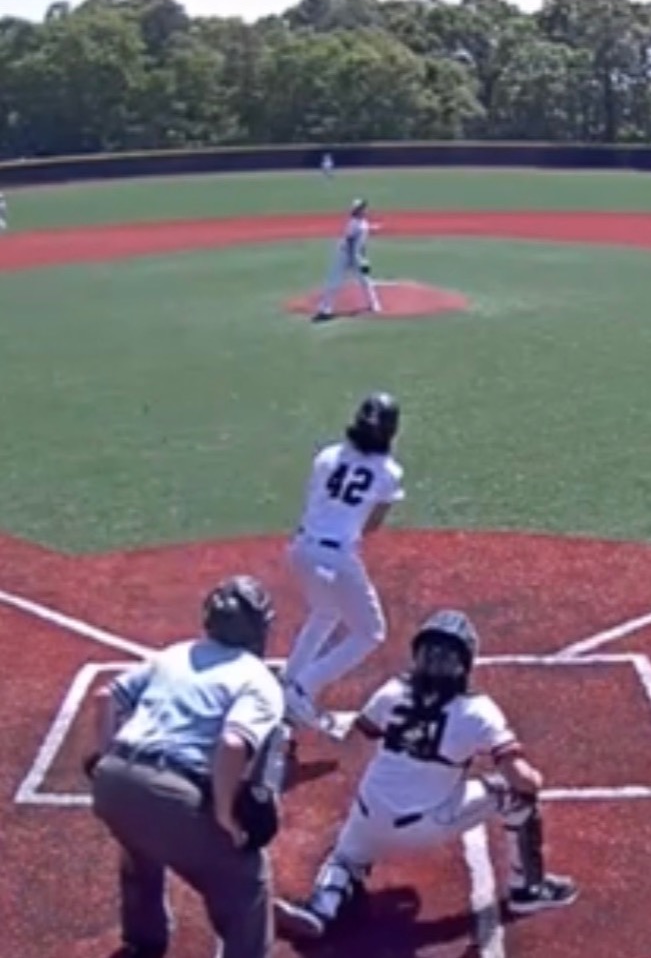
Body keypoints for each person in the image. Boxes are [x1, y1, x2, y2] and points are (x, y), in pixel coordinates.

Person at [275, 609, 578, 941]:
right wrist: (534, 779)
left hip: (368, 812)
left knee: (345, 858)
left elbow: (351, 747)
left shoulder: (392, 691)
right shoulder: (478, 711)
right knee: (515, 795)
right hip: (426, 823)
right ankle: (528, 890)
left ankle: (323, 905)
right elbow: (521, 778)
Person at [86, 575, 287, 958]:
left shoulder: (174, 654)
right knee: (248, 881)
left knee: (140, 843)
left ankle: (142, 942)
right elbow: (233, 744)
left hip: (112, 784)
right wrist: (225, 815)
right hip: (171, 793)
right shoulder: (258, 678)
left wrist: (107, 756)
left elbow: (105, 697)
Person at [281, 392, 404, 738]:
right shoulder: (389, 472)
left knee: (325, 612)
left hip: (301, 548)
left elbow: (317, 499)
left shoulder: (327, 456)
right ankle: (302, 688)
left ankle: (289, 680)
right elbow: (372, 525)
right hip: (336, 556)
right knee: (370, 632)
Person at [312, 198, 380, 321]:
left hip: (355, 255)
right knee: (335, 280)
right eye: (361, 208)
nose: (365, 210)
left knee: (365, 279)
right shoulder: (354, 223)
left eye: (364, 208)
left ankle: (374, 305)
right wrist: (353, 260)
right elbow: (349, 241)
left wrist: (363, 259)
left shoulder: (363, 223)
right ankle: (326, 309)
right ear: (356, 210)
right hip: (344, 255)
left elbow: (361, 245)